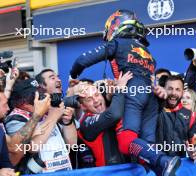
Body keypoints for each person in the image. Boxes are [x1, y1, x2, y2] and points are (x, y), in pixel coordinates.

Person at [70, 10, 180, 175]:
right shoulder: (148, 53)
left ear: (116, 25)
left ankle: (164, 162)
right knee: (146, 144)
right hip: (150, 95)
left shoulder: (118, 43)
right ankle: (162, 167)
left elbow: (82, 60)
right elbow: (151, 81)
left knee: (126, 141)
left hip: (132, 90)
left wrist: (73, 74)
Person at [74, 72, 132, 167]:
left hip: (131, 170)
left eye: (97, 95)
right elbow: (113, 115)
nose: (96, 100)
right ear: (83, 107)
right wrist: (119, 89)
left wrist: (112, 97)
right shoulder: (86, 123)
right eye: (89, 99)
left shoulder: (113, 107)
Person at [155, 76, 196, 161]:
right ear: (164, 89)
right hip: (154, 165)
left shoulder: (191, 115)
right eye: (170, 88)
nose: (173, 93)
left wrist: (194, 152)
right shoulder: (154, 109)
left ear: (183, 92)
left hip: (178, 166)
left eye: (177, 89)